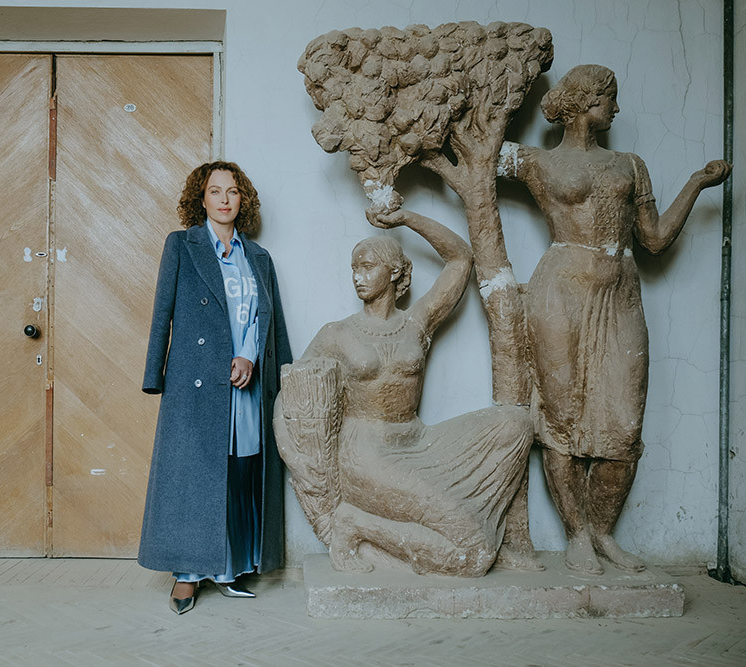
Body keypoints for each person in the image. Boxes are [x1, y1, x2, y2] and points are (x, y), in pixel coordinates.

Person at [499, 64, 730, 574]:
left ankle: (603, 532)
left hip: (619, 291)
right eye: (609, 100)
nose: (617, 109)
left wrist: (696, 183)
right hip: (560, 291)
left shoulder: (630, 164)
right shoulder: (534, 161)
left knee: (624, 426)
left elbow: (654, 239)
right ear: (585, 102)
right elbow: (473, 161)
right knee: (560, 417)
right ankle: (577, 536)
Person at [278, 207, 537, 576]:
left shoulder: (416, 323)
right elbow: (290, 393)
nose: (357, 276)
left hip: (417, 441)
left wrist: (404, 218)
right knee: (473, 553)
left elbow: (461, 258)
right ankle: (355, 524)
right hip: (366, 453)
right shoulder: (337, 334)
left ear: (395, 271)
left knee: (516, 424)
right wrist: (298, 459)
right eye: (354, 268)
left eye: (367, 266)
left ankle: (486, 528)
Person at [140, 161, 292, 614]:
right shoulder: (182, 245)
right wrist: (155, 375)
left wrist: (265, 366)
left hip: (247, 381)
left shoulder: (258, 258)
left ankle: (228, 569)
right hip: (195, 382)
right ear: (201, 199)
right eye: (215, 191)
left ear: (243, 199)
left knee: (240, 472)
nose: (225, 199)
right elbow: (163, 312)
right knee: (195, 475)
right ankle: (187, 575)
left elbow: (269, 322)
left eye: (233, 191)